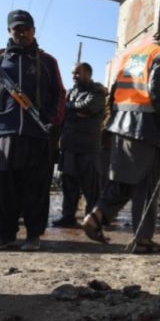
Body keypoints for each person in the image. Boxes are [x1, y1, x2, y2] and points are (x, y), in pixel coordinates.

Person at [82, 26, 160, 253]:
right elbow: (158, 94)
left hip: (121, 126)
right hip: (146, 129)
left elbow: (114, 92)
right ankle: (143, 240)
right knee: (147, 186)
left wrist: (113, 121)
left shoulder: (133, 56)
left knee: (123, 182)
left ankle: (96, 216)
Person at [0, 10, 65, 251]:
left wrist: (50, 119)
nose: (21, 33)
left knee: (36, 188)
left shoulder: (47, 61)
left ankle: (33, 236)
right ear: (9, 31)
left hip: (37, 136)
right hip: (4, 135)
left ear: (34, 30)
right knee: (4, 190)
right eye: (17, 29)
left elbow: (59, 93)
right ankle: (4, 236)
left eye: (26, 29)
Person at [52, 63, 107, 228]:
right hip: (69, 146)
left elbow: (89, 107)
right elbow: (61, 111)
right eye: (73, 73)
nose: (74, 76)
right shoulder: (71, 92)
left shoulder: (97, 92)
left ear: (88, 74)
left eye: (77, 73)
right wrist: (73, 111)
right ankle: (68, 216)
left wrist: (70, 109)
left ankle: (92, 219)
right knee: (69, 186)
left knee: (91, 188)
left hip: (88, 147)